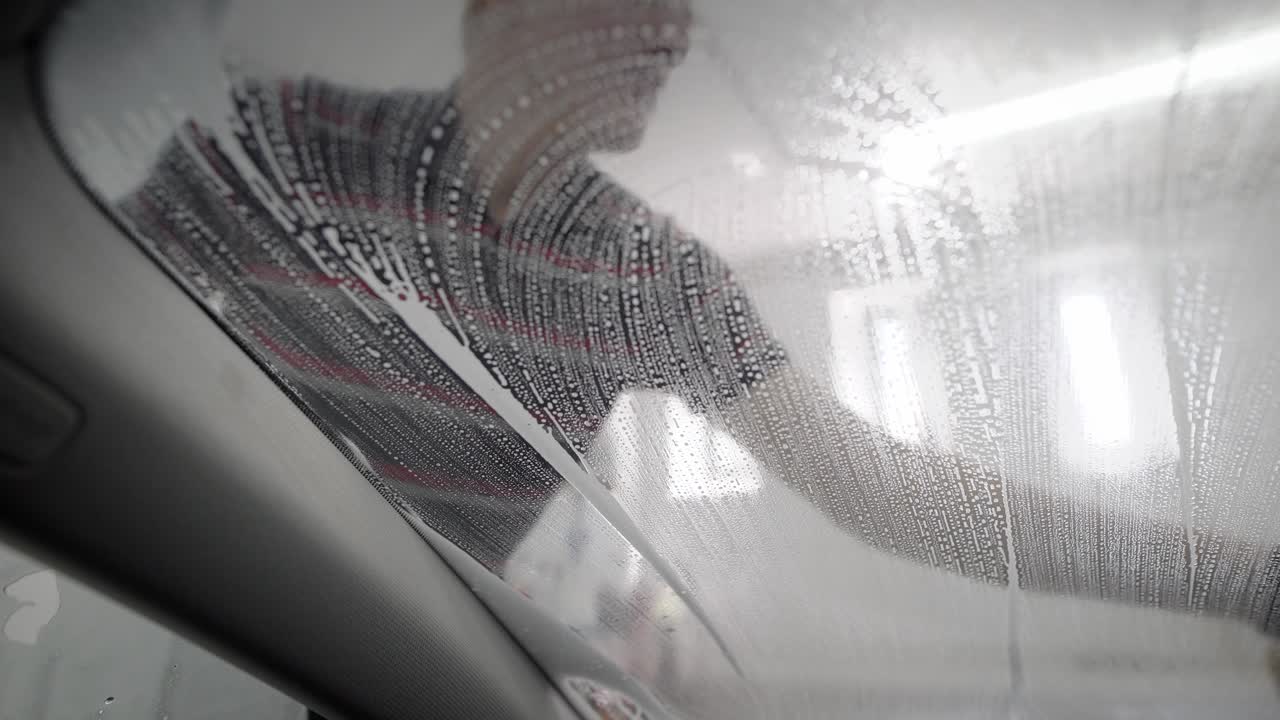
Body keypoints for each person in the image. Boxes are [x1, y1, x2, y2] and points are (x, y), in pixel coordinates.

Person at [120, 0, 1280, 636]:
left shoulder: (651, 272)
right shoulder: (276, 140)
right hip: (171, 585)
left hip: (398, 654)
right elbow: (89, 296)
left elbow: (883, 490)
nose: (677, 32)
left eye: (683, 9)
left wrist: (1254, 582)